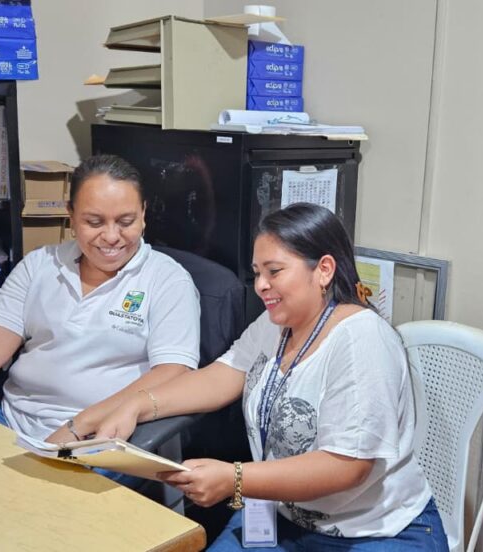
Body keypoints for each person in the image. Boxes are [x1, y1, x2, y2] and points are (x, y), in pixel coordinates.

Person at [80, 203, 448, 551]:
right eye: (258, 273)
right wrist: (140, 405)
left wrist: (234, 479)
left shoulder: (361, 340)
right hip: (281, 516)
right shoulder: (277, 324)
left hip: (370, 533)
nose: (261, 285)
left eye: (274, 272)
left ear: (323, 269)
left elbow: (347, 466)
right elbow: (221, 376)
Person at [0, 154, 201, 452]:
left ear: (143, 214)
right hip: (11, 420)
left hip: (100, 437)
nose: (112, 236)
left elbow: (172, 372)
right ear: (70, 215)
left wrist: (78, 427)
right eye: (94, 222)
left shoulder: (167, 280)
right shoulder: (40, 265)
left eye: (126, 221)